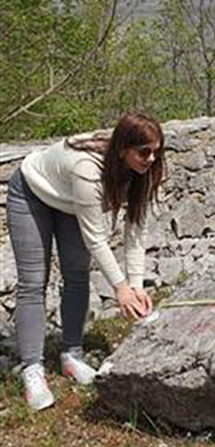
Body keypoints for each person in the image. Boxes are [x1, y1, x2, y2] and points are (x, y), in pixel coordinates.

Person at [7, 111, 165, 411]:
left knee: (77, 274)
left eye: (157, 151)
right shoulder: (88, 171)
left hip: (68, 201)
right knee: (33, 281)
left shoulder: (141, 174)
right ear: (123, 150)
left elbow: (136, 234)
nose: (152, 159)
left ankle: (72, 356)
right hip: (32, 192)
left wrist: (136, 284)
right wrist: (120, 289)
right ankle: (32, 369)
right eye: (145, 152)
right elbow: (96, 238)